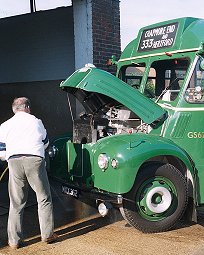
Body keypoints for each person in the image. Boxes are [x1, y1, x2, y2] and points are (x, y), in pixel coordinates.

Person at [0, 97, 57, 249]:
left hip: (14, 162)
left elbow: (1, 151)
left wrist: (10, 158)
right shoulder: (36, 121)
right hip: (34, 160)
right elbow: (45, 143)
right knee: (44, 197)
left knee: (16, 202)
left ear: (14, 109)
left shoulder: (5, 125)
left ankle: (14, 241)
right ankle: (47, 235)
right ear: (27, 107)